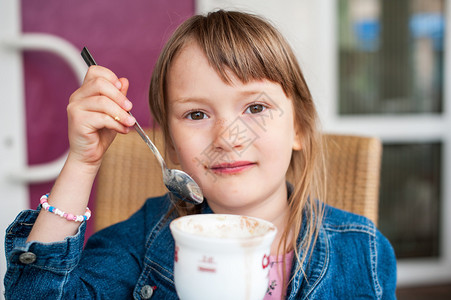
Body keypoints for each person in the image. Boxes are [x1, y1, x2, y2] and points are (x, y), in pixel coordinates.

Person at [4, 10, 396, 299]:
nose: (227, 138)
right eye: (196, 114)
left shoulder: (363, 250)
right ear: (172, 144)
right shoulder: (140, 243)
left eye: (255, 108)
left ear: (298, 127)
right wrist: (82, 162)